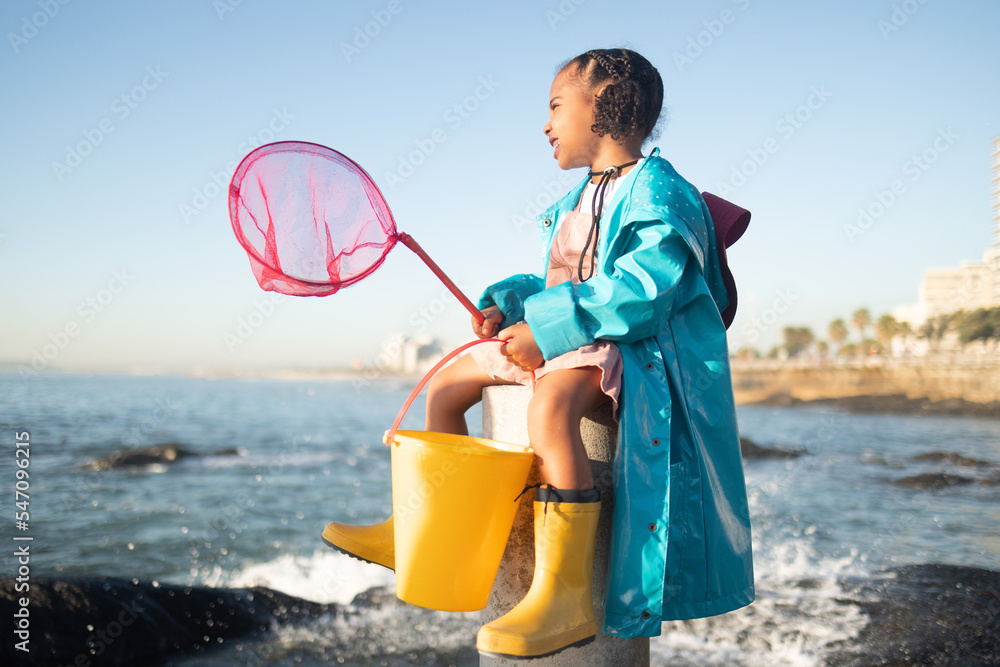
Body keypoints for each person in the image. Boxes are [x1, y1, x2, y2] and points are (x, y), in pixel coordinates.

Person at [323, 47, 754, 659]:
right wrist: (511, 305)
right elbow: (559, 284)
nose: (545, 124)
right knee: (447, 384)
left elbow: (641, 293)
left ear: (605, 105)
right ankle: (418, 532)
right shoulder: (582, 197)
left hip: (625, 350)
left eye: (555, 106)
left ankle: (565, 592)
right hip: (566, 334)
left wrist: (547, 329)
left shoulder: (659, 191)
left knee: (550, 410)